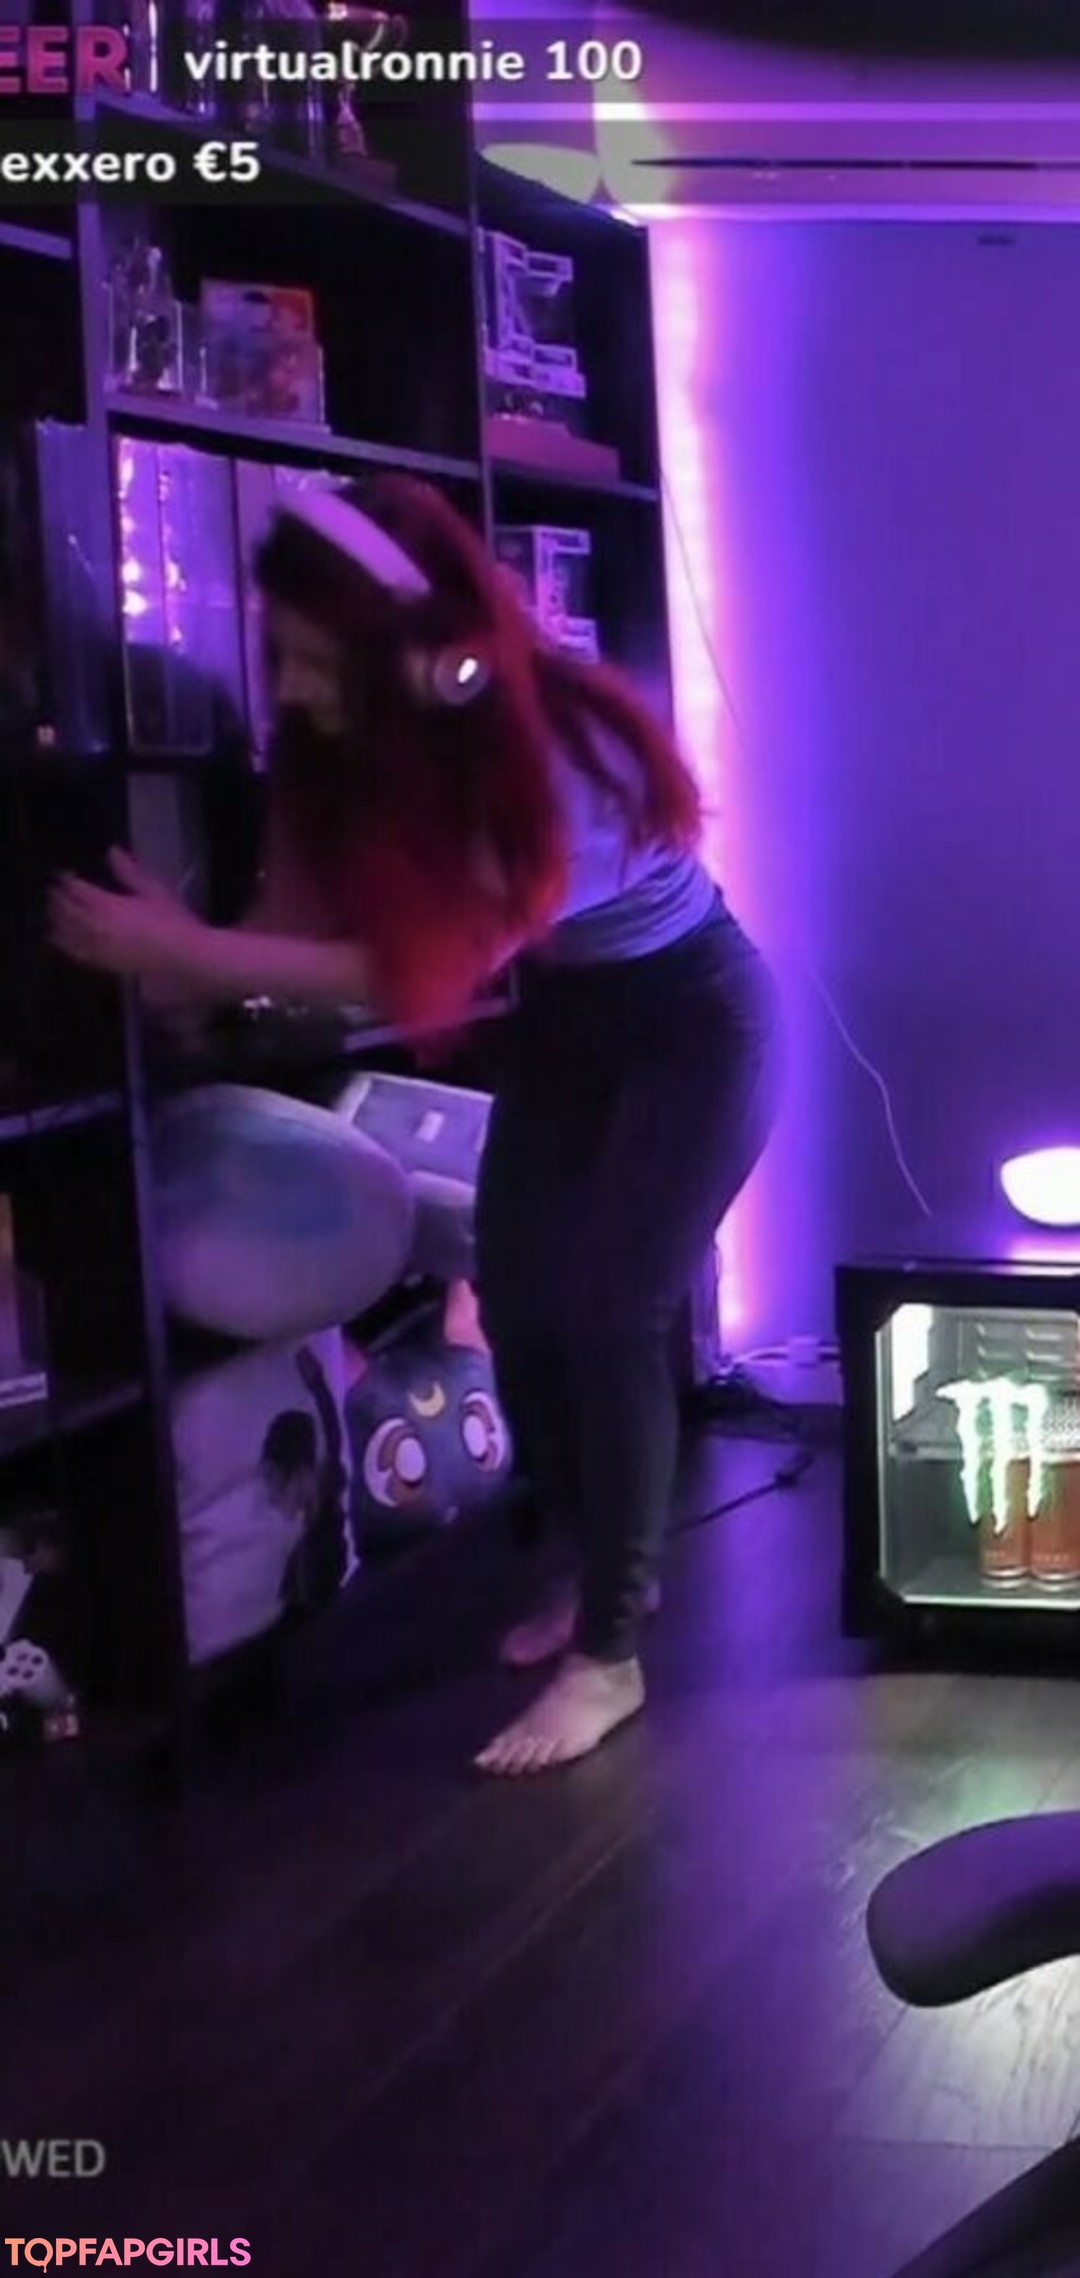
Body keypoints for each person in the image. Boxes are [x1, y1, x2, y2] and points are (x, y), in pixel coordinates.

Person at [48, 475, 782, 1777]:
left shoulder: (549, 749)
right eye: (285, 654)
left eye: (316, 659)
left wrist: (189, 952)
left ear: (413, 651)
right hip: (571, 1024)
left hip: (693, 1025)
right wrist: (189, 963)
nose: (295, 685)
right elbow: (292, 923)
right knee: (520, 1289)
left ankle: (609, 1653)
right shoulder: (361, 741)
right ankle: (601, 1567)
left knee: (611, 1307)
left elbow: (421, 971)